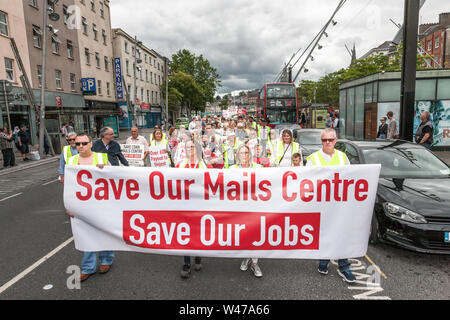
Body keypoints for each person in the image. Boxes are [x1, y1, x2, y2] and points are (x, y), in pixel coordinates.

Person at [305, 128, 356, 284]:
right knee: (325, 234)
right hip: (322, 204)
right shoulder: (313, 158)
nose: (327, 143)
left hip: (340, 204)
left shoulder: (343, 157)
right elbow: (307, 183)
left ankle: (344, 267)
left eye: (330, 140)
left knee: (341, 234)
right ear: (321, 141)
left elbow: (351, 179)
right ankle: (323, 260)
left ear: (336, 140)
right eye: (324, 140)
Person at [65, 133, 113, 282]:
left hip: (101, 203)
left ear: (91, 144)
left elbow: (114, 179)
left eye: (84, 143)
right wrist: (67, 205)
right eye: (77, 144)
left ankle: (106, 261)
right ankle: (88, 268)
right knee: (85, 235)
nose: (80, 146)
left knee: (103, 232)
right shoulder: (71, 160)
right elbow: (68, 185)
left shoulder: (101, 158)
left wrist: (105, 169)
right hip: (81, 205)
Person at [228, 144, 263, 277]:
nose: (244, 155)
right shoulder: (232, 169)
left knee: (256, 234)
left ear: (250, 154)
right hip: (239, 208)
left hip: (255, 207)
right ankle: (246, 257)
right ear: (238, 155)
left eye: (246, 153)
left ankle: (254, 262)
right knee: (244, 234)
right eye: (242, 153)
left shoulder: (259, 168)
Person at [176, 140, 208, 279]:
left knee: (199, 232)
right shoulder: (180, 164)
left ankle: (199, 256)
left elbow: (210, 183)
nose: (190, 148)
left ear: (197, 148)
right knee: (185, 233)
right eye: (188, 146)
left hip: (200, 204)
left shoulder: (203, 164)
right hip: (185, 205)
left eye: (193, 146)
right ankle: (187, 263)